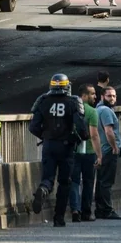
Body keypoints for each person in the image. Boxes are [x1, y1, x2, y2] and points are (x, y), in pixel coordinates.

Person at [28, 74, 88, 226]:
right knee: (64, 182)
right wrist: (79, 138)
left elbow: (33, 126)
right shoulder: (73, 102)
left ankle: (43, 189)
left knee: (48, 178)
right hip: (66, 146)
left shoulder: (42, 101)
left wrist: (46, 136)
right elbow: (81, 127)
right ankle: (59, 218)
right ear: (67, 86)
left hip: (48, 145)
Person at [69, 84, 102, 223]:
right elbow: (94, 135)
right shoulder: (92, 111)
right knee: (88, 182)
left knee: (74, 182)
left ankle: (75, 209)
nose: (95, 96)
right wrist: (99, 155)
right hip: (88, 152)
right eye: (92, 94)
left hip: (73, 151)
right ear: (84, 96)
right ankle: (86, 213)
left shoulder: (71, 109)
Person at [94, 86, 121, 221]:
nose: (112, 98)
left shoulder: (97, 110)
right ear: (102, 97)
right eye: (109, 96)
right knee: (106, 182)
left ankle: (100, 209)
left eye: (114, 96)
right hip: (108, 150)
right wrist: (115, 147)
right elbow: (109, 131)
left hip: (100, 150)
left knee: (101, 181)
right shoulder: (106, 111)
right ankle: (107, 209)